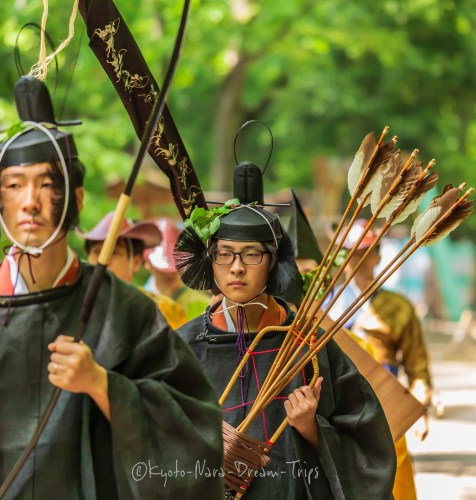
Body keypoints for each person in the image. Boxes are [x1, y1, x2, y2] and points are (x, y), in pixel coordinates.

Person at [0, 75, 223, 499]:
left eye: (48, 183)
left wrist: (102, 384)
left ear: (77, 198)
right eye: (15, 185)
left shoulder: (124, 309)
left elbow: (194, 434)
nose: (30, 201)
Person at [175, 160, 397, 499]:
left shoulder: (306, 342)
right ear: (209, 261)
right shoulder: (184, 344)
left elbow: (366, 442)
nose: (236, 268)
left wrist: (311, 427)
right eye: (224, 255)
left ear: (274, 263)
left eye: (251, 255)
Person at [325, 218, 433, 500]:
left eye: (363, 253)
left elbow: (417, 366)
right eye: (349, 253)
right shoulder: (323, 306)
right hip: (336, 409)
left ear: (377, 255)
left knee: (394, 484)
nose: (356, 260)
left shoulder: (398, 307)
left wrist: (420, 409)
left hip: (387, 408)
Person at [79, 212, 188, 329]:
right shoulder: (76, 306)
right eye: (97, 252)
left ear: (136, 262)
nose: (103, 260)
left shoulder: (165, 311)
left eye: (114, 253)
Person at [144, 216, 211, 320]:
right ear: (148, 263)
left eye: (175, 265)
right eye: (162, 269)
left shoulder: (202, 304)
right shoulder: (140, 302)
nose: (169, 273)